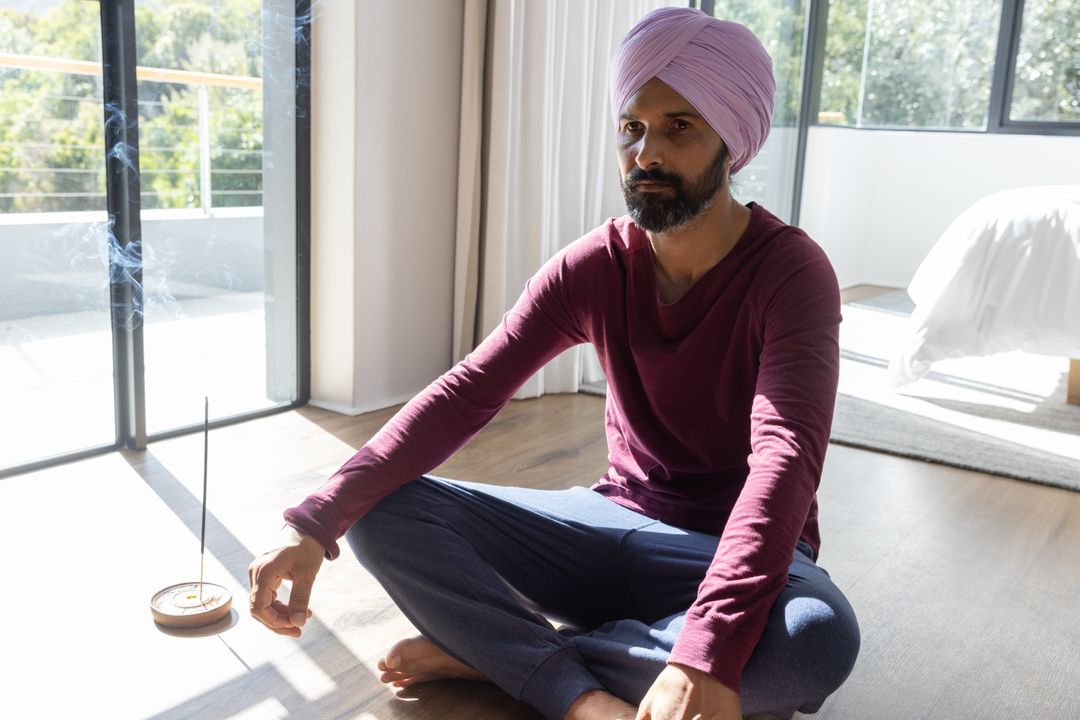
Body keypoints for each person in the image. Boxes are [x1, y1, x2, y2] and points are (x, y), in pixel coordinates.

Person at [249, 7, 860, 720]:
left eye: (678, 127)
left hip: (726, 553)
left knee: (814, 639)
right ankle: (580, 690)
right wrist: (314, 522)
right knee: (382, 510)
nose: (646, 153)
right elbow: (467, 392)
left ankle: (506, 658)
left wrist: (708, 649)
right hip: (606, 530)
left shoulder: (791, 272)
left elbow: (783, 458)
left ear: (734, 139)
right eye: (631, 127)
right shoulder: (593, 267)